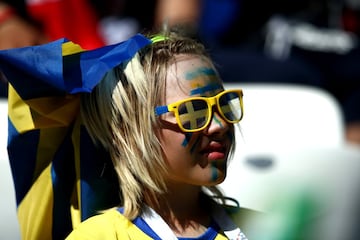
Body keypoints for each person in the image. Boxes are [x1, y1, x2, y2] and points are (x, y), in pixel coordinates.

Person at [0, 27, 262, 239]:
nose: (219, 125)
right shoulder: (99, 236)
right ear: (127, 133)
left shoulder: (267, 229)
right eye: (193, 112)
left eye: (224, 105)